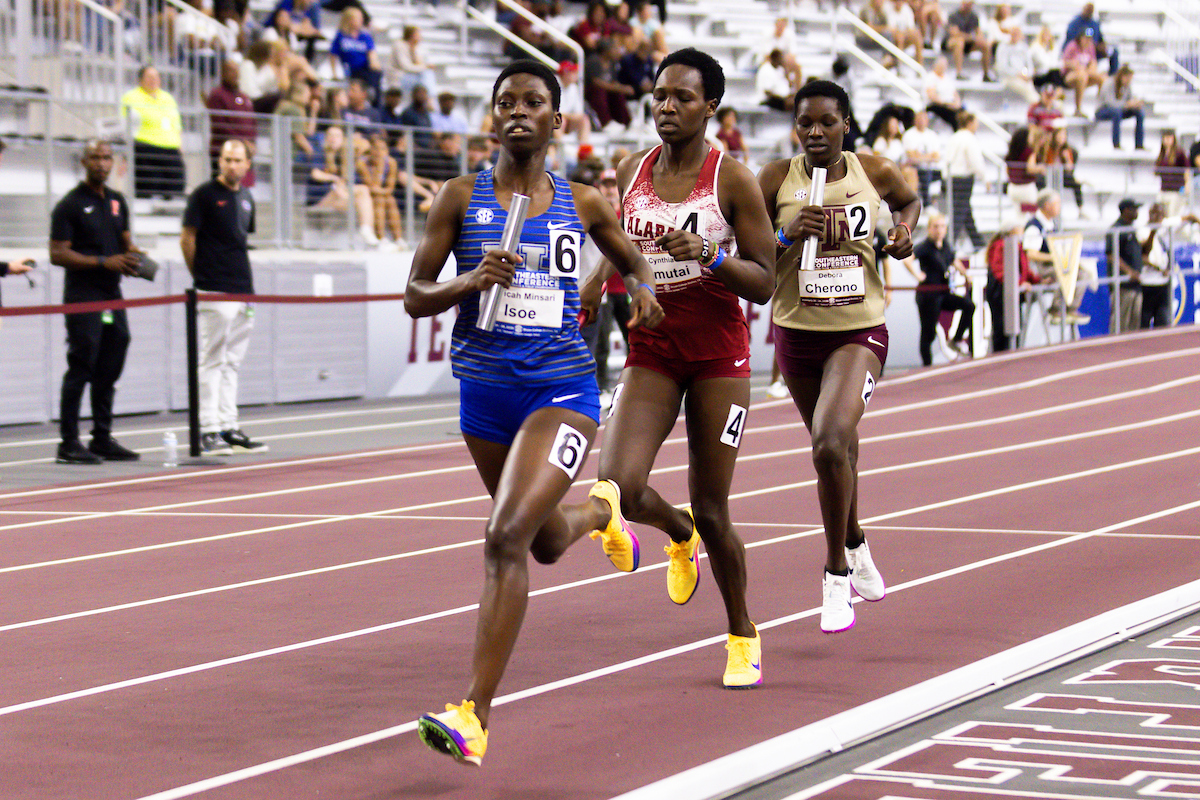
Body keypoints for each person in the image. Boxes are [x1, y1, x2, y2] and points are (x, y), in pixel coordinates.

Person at [409, 60, 663, 767]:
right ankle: (602, 516)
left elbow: (626, 257)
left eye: (533, 103)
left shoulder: (582, 203)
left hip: (561, 391)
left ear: (556, 122)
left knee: (503, 538)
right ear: (492, 118)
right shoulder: (459, 199)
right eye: (505, 102)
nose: (517, 112)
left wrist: (640, 286)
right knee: (546, 541)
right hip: (483, 395)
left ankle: (473, 715)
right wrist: (470, 278)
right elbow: (414, 293)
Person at [585, 48, 776, 686]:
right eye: (661, 95)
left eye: (683, 98)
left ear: (710, 107)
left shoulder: (733, 180)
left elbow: (765, 283)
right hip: (655, 347)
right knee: (620, 487)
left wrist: (711, 256)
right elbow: (621, 240)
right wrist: (595, 282)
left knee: (715, 506)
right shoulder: (630, 167)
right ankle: (676, 531)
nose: (667, 107)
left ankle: (742, 632)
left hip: (720, 354)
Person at [758, 80, 920, 632]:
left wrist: (902, 232)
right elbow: (747, 250)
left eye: (827, 122)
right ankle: (856, 540)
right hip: (797, 334)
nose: (815, 132)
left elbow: (909, 202)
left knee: (829, 440)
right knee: (835, 452)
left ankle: (834, 577)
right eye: (805, 123)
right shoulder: (776, 179)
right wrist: (783, 235)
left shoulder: (874, 171)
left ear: (845, 124)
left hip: (859, 330)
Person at [49, 140, 143, 465]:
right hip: (83, 295)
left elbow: (126, 241)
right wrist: (104, 262)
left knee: (113, 355)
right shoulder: (69, 205)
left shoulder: (118, 201)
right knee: (82, 363)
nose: (101, 163)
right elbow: (57, 253)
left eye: (106, 158)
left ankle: (101, 437)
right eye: (95, 158)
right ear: (84, 161)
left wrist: (134, 256)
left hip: (111, 294)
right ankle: (69, 443)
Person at [180, 140, 269, 456]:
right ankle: (208, 429)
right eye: (226, 159)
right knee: (212, 358)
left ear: (247, 165)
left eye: (237, 160)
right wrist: (202, 276)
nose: (231, 165)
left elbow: (240, 241)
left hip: (243, 288)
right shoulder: (204, 196)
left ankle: (229, 425)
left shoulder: (246, 197)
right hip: (214, 288)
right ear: (220, 162)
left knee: (233, 361)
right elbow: (187, 239)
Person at [903, 212, 974, 364]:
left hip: (943, 292)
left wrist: (966, 275)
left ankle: (956, 340)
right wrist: (918, 276)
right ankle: (927, 367)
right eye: (936, 227)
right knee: (928, 334)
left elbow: (954, 260)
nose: (939, 230)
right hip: (928, 295)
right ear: (929, 229)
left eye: (942, 226)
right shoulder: (924, 246)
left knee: (969, 305)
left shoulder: (946, 245)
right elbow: (907, 260)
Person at [1024, 188, 1090, 324]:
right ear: (1047, 205)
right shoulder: (1034, 227)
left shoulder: (1052, 224)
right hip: (1041, 268)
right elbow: (1031, 254)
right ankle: (1057, 308)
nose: (1059, 207)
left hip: (1054, 263)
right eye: (1057, 204)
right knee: (1069, 271)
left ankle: (1070, 308)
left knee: (1084, 272)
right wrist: (1055, 257)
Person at [122, 65, 186, 198]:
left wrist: (180, 145)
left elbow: (176, 124)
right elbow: (125, 126)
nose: (153, 80)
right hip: (145, 146)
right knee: (149, 184)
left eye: (156, 77)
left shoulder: (168, 98)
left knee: (176, 184)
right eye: (149, 77)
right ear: (140, 80)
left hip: (170, 148)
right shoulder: (131, 97)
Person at [985, 216, 1041, 352]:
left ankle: (1012, 353)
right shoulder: (1000, 245)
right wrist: (1021, 283)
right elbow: (1001, 272)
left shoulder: (1017, 245)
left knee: (1015, 325)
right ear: (1013, 230)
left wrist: (1036, 280)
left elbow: (1024, 268)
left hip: (1010, 290)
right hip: (999, 292)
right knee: (1001, 326)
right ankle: (1000, 356)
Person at [1140, 203, 1200, 328]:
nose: (1157, 217)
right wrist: (1158, 268)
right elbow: (1143, 253)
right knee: (1143, 323)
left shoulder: (1167, 225)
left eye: (1160, 214)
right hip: (1146, 282)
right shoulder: (1142, 230)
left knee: (1162, 324)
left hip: (1163, 283)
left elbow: (1190, 217)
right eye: (1154, 213)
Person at [205, 60, 258, 181]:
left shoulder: (243, 97)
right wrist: (243, 142)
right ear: (223, 73)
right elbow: (219, 124)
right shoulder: (217, 95)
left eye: (236, 70)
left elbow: (252, 122)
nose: (235, 74)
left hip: (245, 152)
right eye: (230, 70)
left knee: (243, 187)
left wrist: (252, 143)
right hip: (222, 150)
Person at [944, 110, 985, 249]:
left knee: (964, 211)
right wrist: (984, 177)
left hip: (951, 178)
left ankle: (978, 243)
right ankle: (948, 243)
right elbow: (975, 160)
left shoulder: (954, 137)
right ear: (970, 123)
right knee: (960, 212)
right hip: (964, 179)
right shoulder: (970, 138)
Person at [1106, 198, 1143, 332]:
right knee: (1120, 322)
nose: (1137, 212)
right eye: (1134, 209)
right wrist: (1129, 272)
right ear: (1126, 210)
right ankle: (1115, 351)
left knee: (1134, 323)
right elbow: (1111, 254)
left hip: (1135, 284)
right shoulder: (1116, 229)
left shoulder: (1131, 228)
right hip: (1123, 285)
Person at [329, 7, 381, 104]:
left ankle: (373, 99)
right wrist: (334, 73)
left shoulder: (365, 36)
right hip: (351, 69)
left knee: (376, 73)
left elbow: (372, 54)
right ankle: (370, 95)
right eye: (358, 18)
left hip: (365, 69)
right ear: (349, 20)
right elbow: (333, 55)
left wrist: (375, 65)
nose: (361, 21)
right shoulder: (341, 36)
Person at [1094, 65, 1144, 150]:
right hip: (1103, 110)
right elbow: (1109, 102)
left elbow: (1129, 99)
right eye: (1128, 78)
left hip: (1119, 110)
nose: (1129, 81)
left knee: (1140, 113)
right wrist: (1126, 105)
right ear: (1123, 77)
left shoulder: (1127, 86)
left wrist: (1135, 103)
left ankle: (1139, 144)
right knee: (1116, 112)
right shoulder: (1109, 83)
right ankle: (1116, 144)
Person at [944, 0, 992, 81]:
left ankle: (986, 74)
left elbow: (978, 32)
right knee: (959, 42)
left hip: (967, 43)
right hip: (951, 42)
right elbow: (954, 33)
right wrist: (971, 37)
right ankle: (959, 73)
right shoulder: (953, 16)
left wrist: (979, 38)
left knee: (985, 44)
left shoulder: (974, 17)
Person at [902, 110, 942, 207]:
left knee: (942, 177)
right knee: (924, 174)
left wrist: (920, 156)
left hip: (931, 169)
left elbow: (936, 156)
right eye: (919, 119)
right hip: (916, 168)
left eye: (924, 119)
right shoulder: (909, 134)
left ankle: (933, 204)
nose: (921, 121)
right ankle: (926, 204)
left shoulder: (932, 135)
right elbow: (911, 155)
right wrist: (928, 157)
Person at [1063, 2, 1116, 75]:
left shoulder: (1095, 24)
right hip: (1078, 51)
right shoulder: (1075, 23)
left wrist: (1102, 46)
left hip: (1093, 50)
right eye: (1088, 9)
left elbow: (1100, 39)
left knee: (1113, 51)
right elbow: (1071, 39)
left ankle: (1112, 76)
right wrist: (1085, 43)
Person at [1061, 32, 1105, 117]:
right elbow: (1066, 62)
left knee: (1101, 78)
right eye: (1085, 38)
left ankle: (1100, 107)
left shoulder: (1090, 46)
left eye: (1089, 39)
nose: (1087, 41)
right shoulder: (1072, 45)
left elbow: (1093, 63)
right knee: (1082, 76)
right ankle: (1078, 109)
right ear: (1080, 38)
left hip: (1084, 73)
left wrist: (1090, 69)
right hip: (1069, 75)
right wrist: (1079, 67)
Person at [995, 26, 1037, 105]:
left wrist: (1028, 74)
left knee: (1029, 86)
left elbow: (1029, 65)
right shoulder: (1002, 46)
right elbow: (1002, 67)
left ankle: (1038, 103)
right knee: (1026, 88)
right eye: (1013, 34)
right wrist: (1017, 74)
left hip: (1023, 77)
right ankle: (1037, 103)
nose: (1015, 36)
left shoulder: (1023, 47)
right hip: (1008, 78)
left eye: (1017, 34)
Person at [1155, 130, 1189, 216]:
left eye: (1170, 138)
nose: (1167, 140)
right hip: (1164, 189)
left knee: (1172, 215)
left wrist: (1187, 184)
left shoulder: (1179, 153)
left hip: (1175, 190)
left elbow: (1186, 169)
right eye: (1165, 138)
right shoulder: (1162, 154)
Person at [924, 57, 963, 131]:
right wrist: (946, 104)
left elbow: (955, 93)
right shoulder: (930, 77)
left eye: (944, 66)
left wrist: (957, 103)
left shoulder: (947, 78)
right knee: (954, 116)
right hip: (936, 104)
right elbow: (932, 95)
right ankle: (957, 133)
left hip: (950, 104)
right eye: (941, 66)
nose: (943, 68)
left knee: (964, 113)